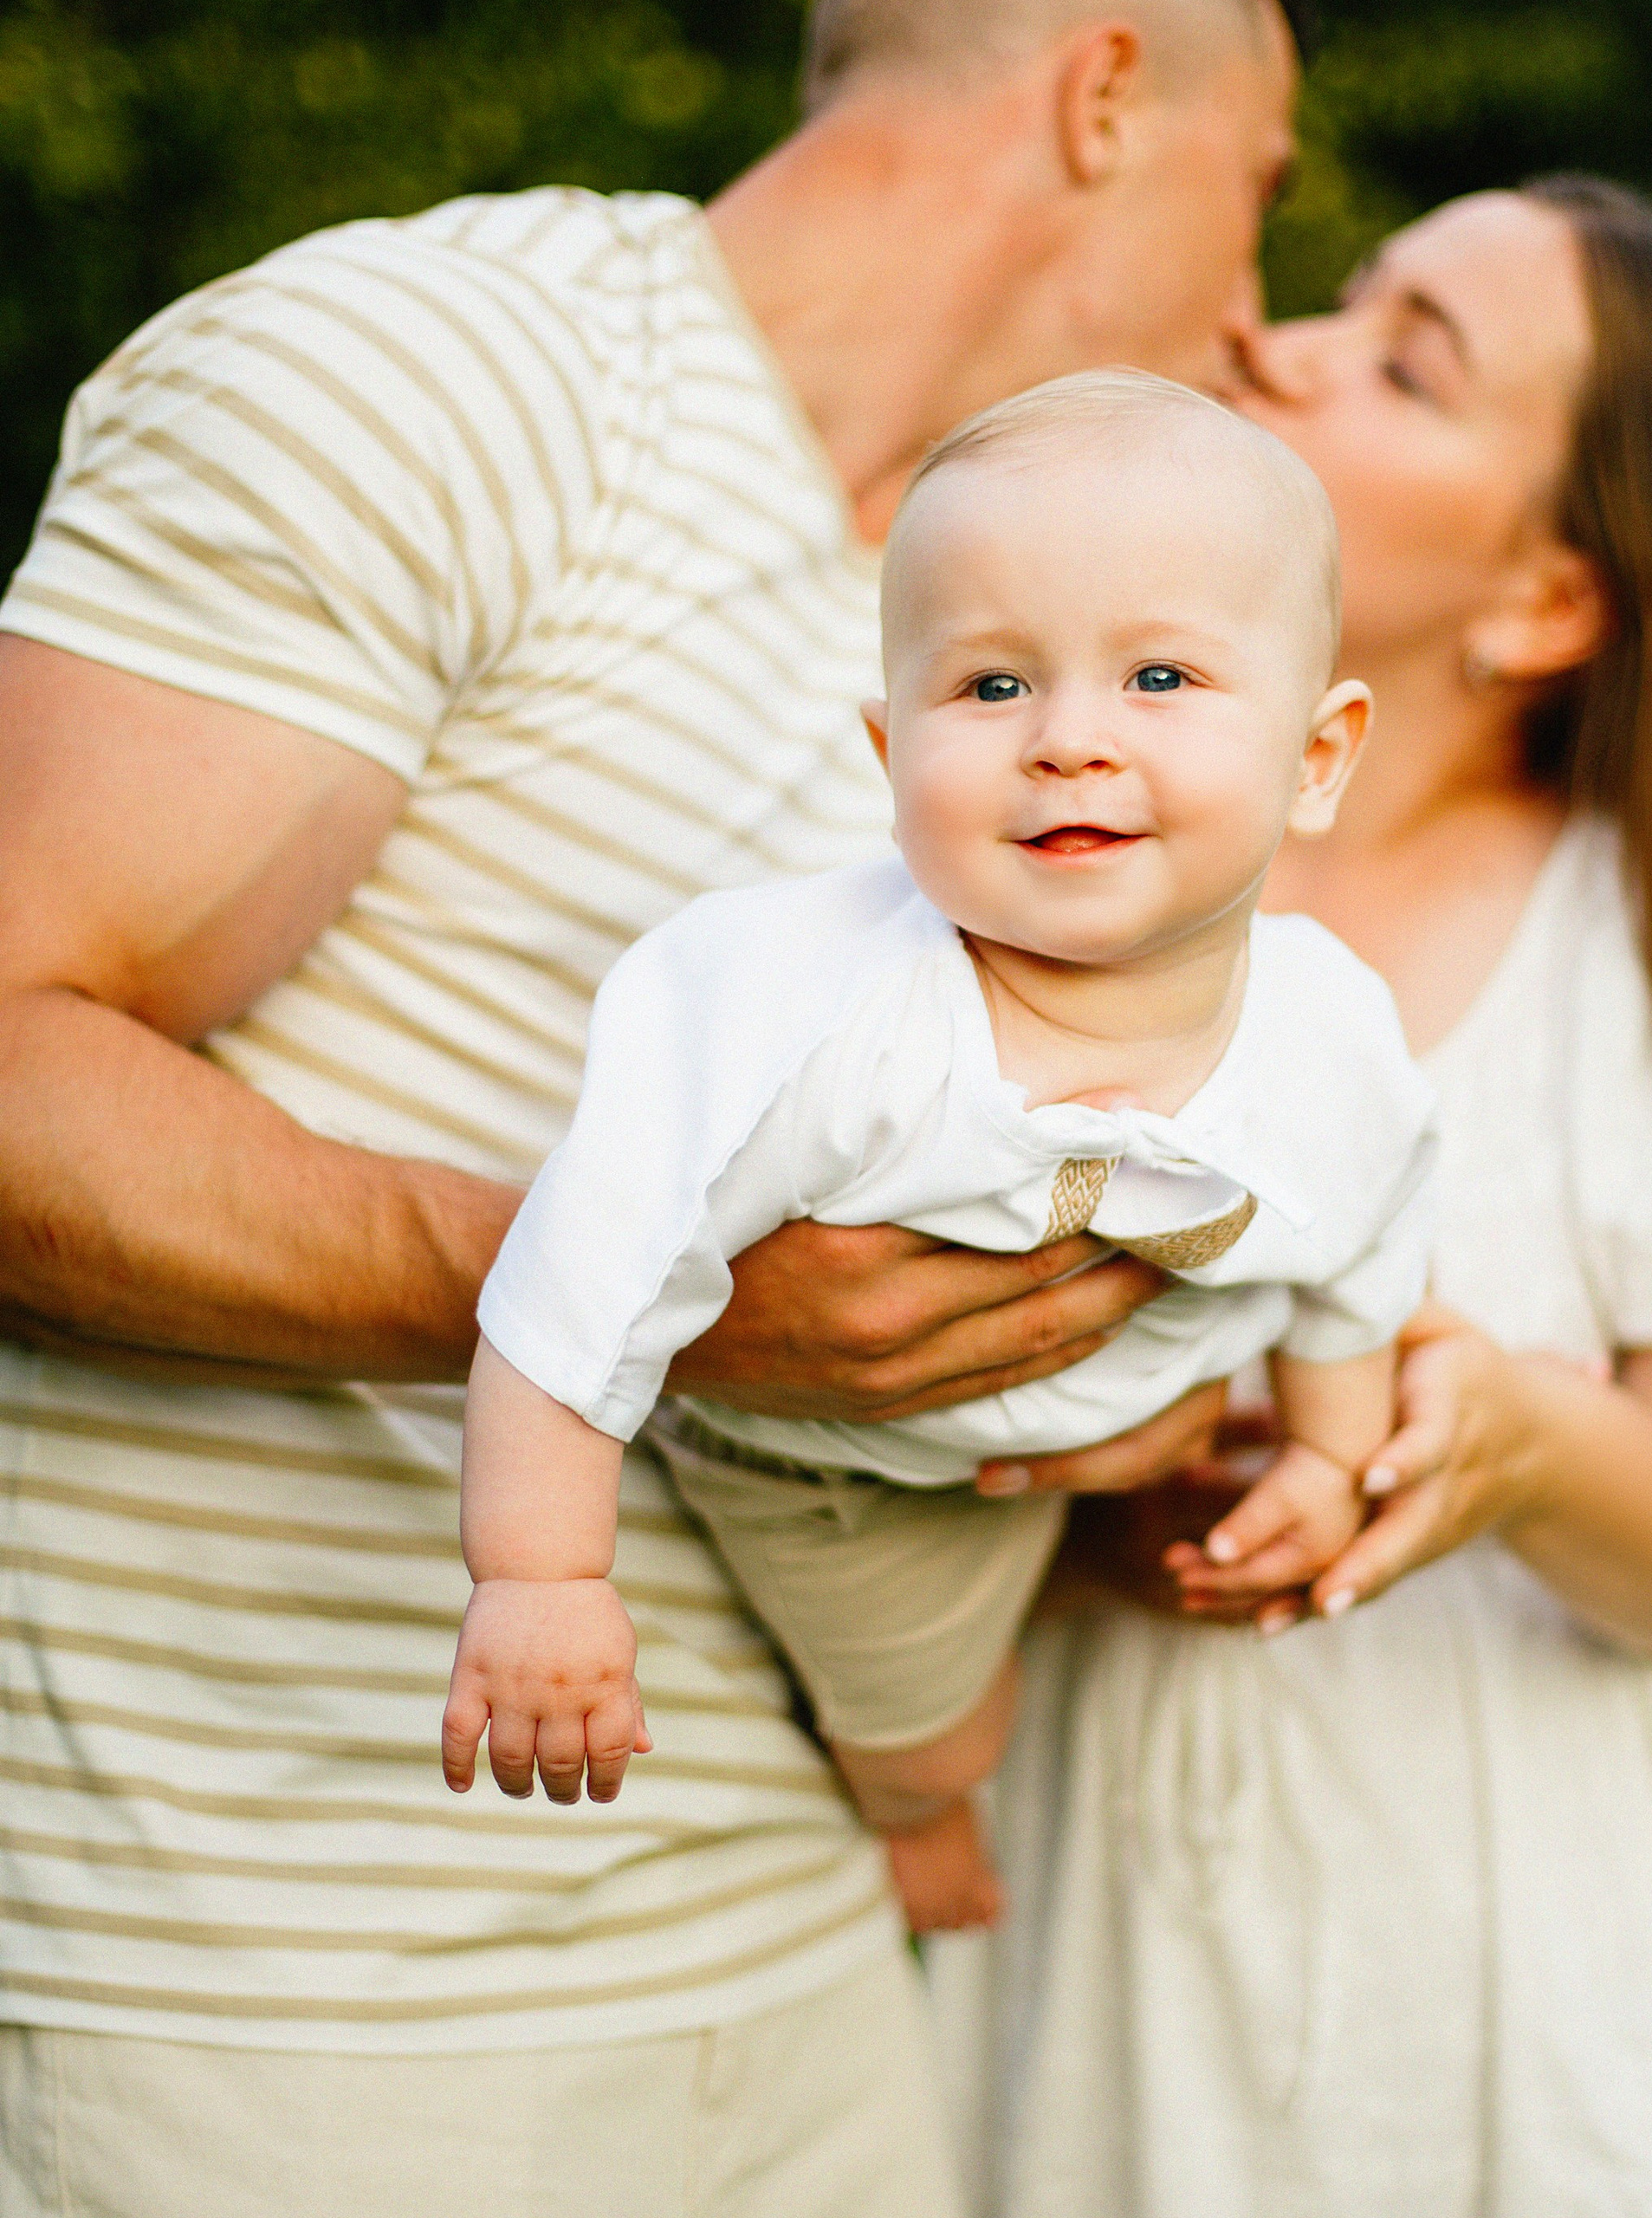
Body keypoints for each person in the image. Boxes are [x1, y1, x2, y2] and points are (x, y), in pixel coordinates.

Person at [0, 5, 1297, 2213]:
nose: (1257, 320)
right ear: (1103, 95)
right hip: (286, 1993)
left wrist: (1081, 1411)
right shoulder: (443, 366)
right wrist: (656, 1297)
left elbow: (850, 1313)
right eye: (1254, 198)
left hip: (798, 1957)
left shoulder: (999, 655)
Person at [930, 178, 1652, 2215]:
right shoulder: (1020, 868)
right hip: (1144, 1944)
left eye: (1404, 360)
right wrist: (1082, 1507)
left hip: (1582, 1989)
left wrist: (1521, 1444)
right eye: (1343, 295)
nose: (1277, 342)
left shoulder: (1643, 958)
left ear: (1540, 598)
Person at [444, 372, 1435, 1935]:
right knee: (948, 1738)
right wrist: (542, 1579)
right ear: (889, 746)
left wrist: (1326, 1451)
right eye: (989, 686)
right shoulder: (803, 1015)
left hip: (1103, 1441)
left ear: (1317, 756)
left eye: (1160, 675)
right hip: (847, 1477)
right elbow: (584, 1278)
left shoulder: (1337, 1037)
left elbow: (1370, 1240)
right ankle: (914, 1816)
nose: (1068, 741)